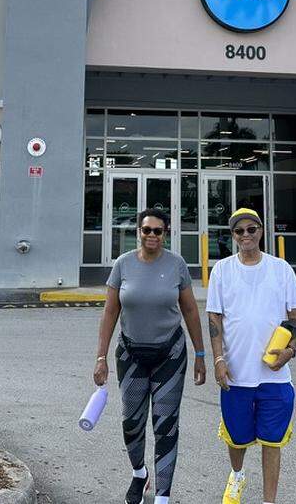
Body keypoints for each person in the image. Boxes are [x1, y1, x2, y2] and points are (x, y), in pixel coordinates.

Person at [93, 208, 207, 504]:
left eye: (158, 231)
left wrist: (200, 353)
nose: (152, 236)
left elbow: (191, 310)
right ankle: (139, 472)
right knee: (132, 421)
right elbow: (109, 312)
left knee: (165, 424)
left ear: (165, 233)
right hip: (130, 353)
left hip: (170, 354)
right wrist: (101, 357)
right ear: (139, 233)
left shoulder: (176, 265)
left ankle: (163, 496)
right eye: (147, 230)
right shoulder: (123, 264)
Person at [207, 207, 296, 504]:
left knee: (272, 441)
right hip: (236, 374)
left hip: (274, 374)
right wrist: (218, 359)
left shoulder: (281, 269)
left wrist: (290, 350)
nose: (246, 235)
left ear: (261, 231)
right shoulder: (222, 270)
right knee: (237, 437)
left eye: (252, 229)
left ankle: (268, 501)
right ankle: (237, 475)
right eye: (240, 231)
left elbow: (295, 315)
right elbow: (214, 317)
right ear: (233, 236)